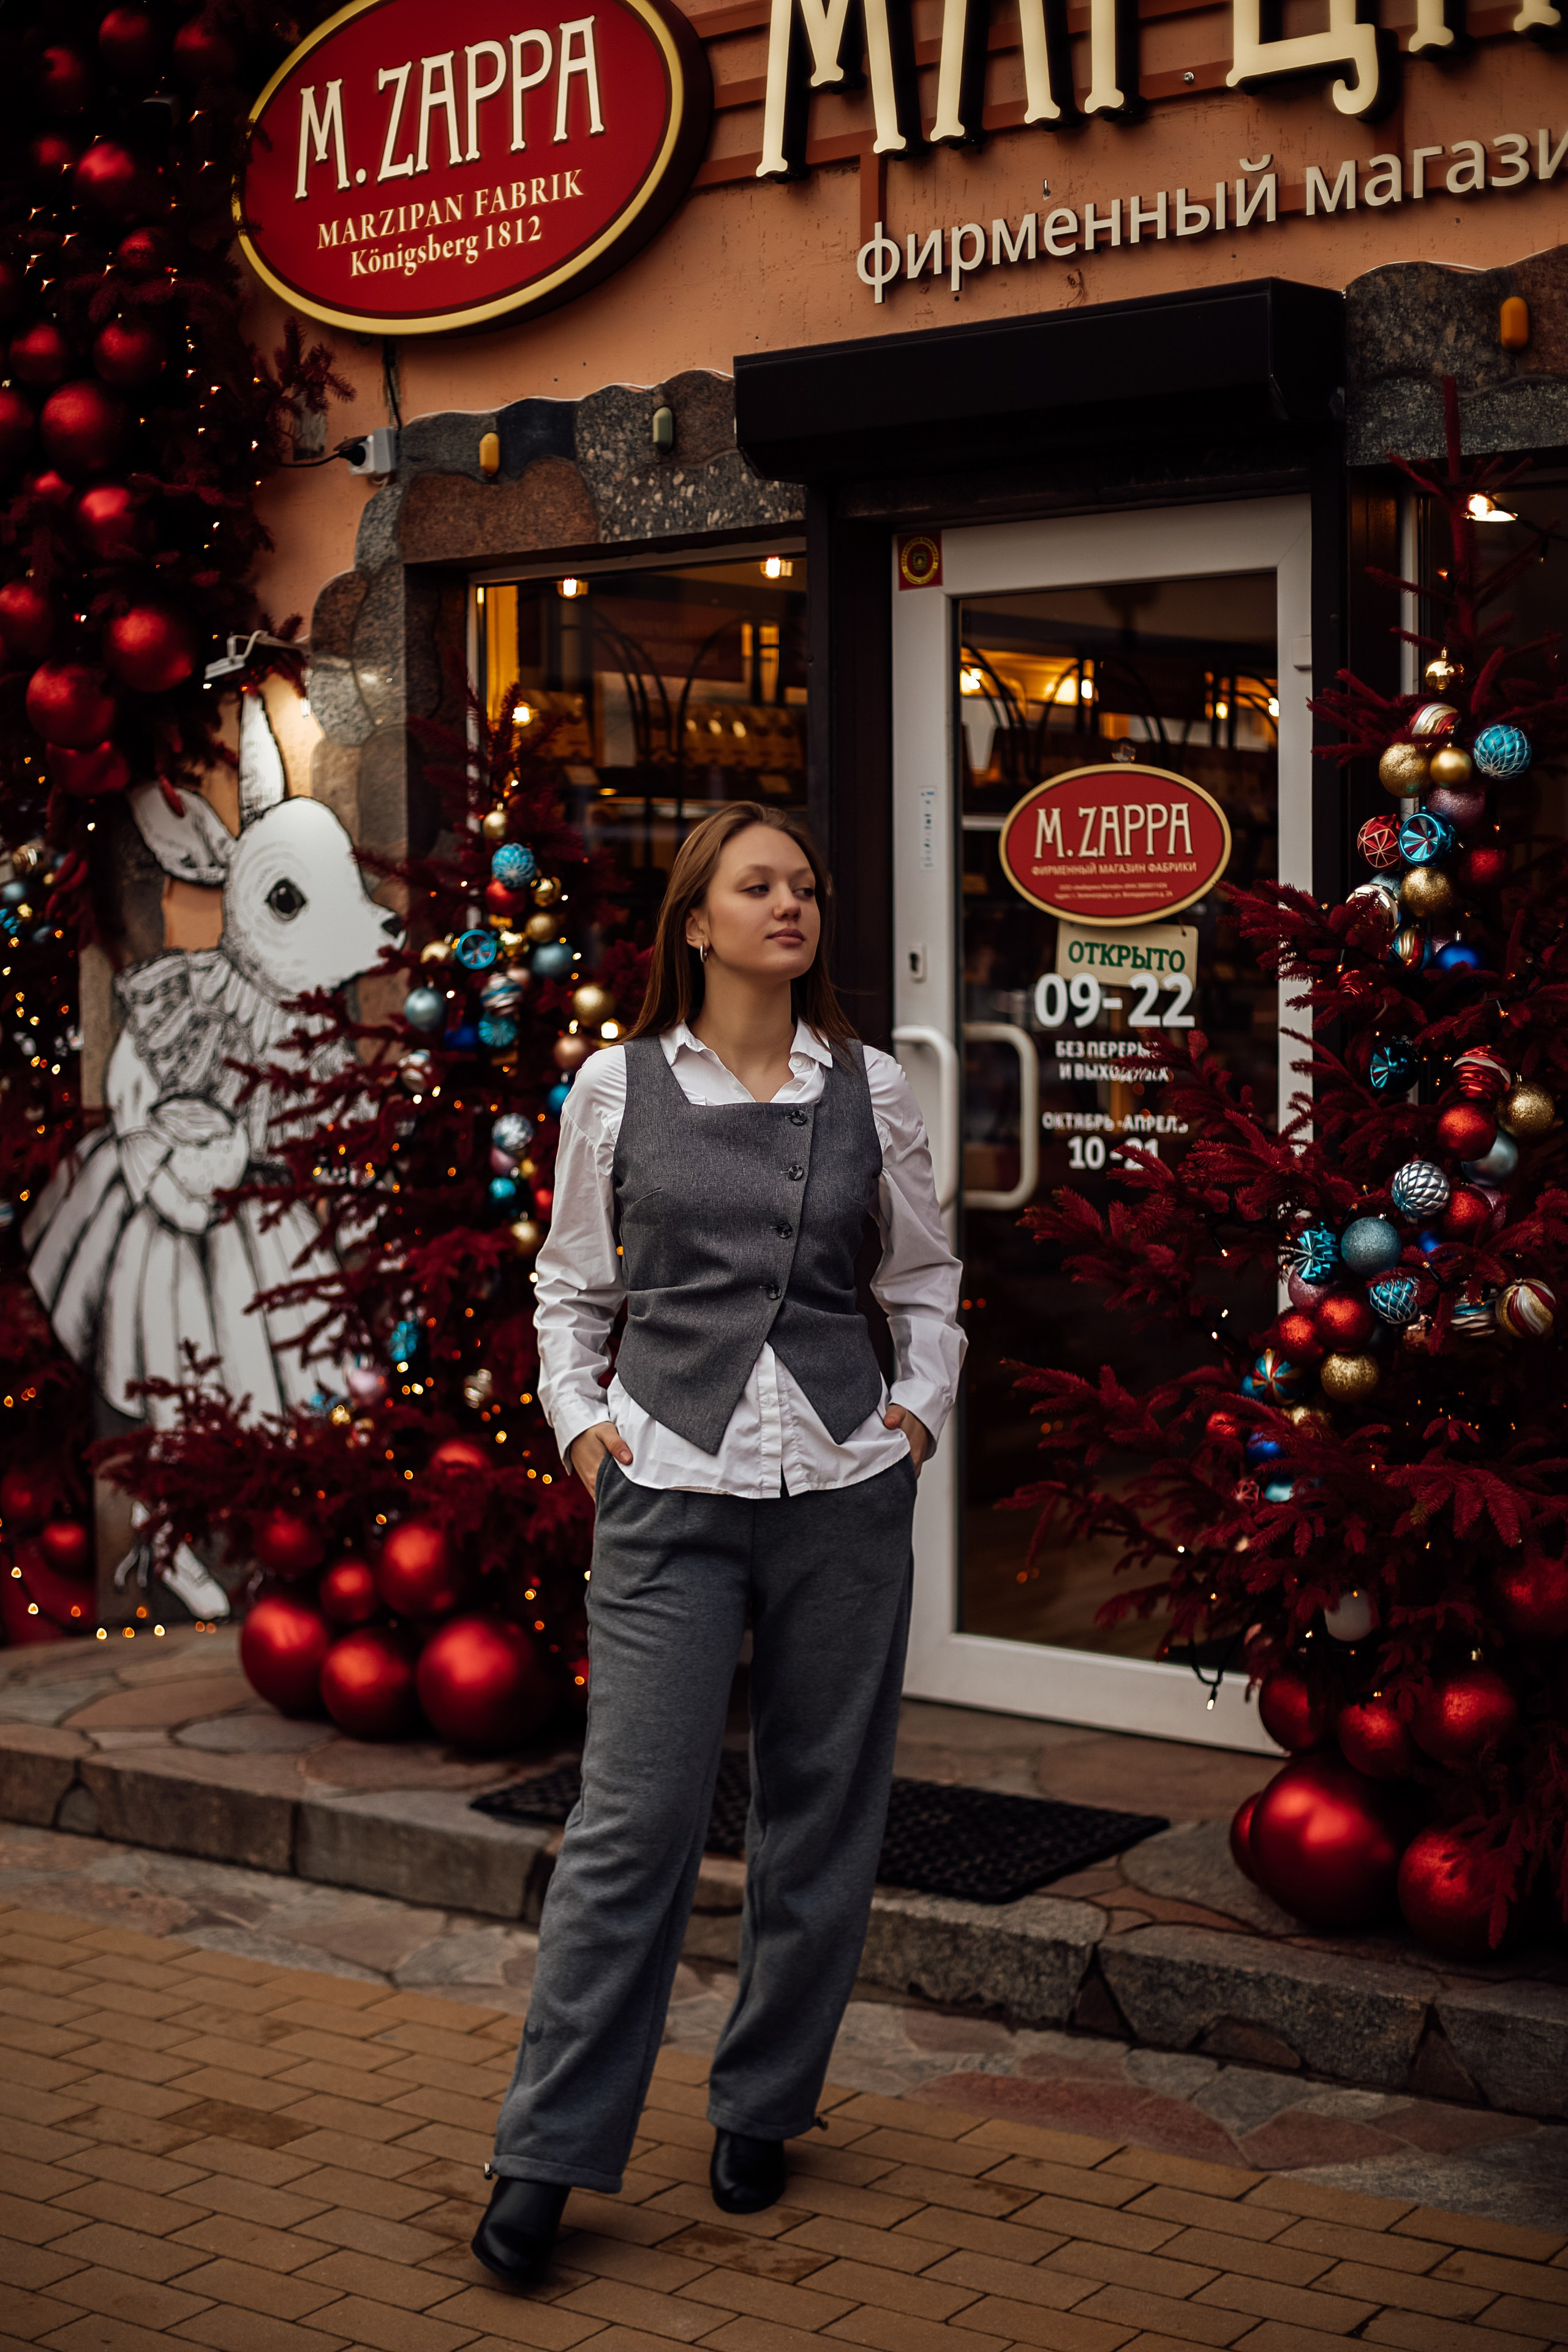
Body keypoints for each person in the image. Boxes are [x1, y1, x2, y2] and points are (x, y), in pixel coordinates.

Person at [472, 801, 965, 2286]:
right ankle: (545, 2154)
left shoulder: (870, 1090)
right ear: (695, 921)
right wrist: (580, 1427)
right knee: (631, 1830)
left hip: (840, 1489)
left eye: (805, 885)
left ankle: (763, 2103)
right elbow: (570, 1291)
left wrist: (913, 1423)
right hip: (668, 1487)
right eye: (759, 886)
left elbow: (927, 1282)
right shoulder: (612, 1092)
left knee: (823, 1815)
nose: (791, 906)